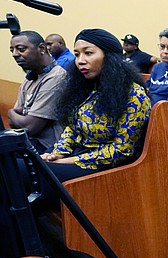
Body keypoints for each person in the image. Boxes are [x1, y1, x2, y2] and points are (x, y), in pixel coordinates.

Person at [39, 28, 150, 206]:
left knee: (28, 173)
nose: (80, 61)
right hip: (79, 156)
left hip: (106, 167)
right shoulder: (88, 87)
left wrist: (65, 161)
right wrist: (56, 153)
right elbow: (72, 128)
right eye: (77, 54)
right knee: (19, 167)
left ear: (110, 56)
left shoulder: (134, 94)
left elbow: (121, 151)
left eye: (88, 53)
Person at [8, 30, 66, 152]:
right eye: (12, 50)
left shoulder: (56, 77)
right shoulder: (30, 78)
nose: (15, 54)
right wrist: (17, 117)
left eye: (21, 49)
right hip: (29, 142)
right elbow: (14, 124)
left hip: (48, 148)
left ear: (41, 49)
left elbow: (29, 127)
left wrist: (10, 113)